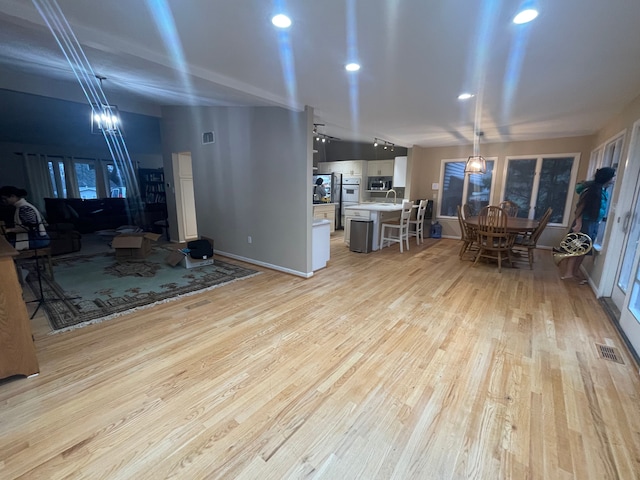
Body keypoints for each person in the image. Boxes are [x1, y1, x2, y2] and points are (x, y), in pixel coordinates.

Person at [559, 167, 616, 282]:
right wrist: (578, 223)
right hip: (584, 223)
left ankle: (575, 271)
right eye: (613, 177)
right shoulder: (592, 191)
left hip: (593, 223)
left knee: (584, 250)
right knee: (577, 248)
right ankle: (568, 273)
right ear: (607, 178)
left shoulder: (602, 190)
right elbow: (580, 207)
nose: (614, 179)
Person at [0, 186, 50, 251]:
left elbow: (31, 227)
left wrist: (9, 230)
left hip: (38, 239)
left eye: (5, 198)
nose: (4, 201)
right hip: (37, 238)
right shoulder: (22, 206)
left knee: (4, 247)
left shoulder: (25, 208)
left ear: (13, 196)